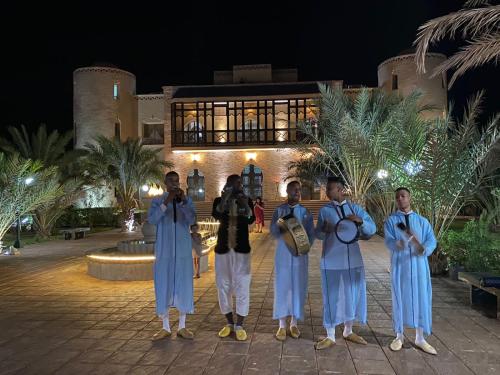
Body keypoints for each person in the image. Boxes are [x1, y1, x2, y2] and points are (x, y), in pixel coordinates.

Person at [314, 176, 376, 350]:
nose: (327, 191)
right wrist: (323, 231)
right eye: (327, 188)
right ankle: (330, 335)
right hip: (331, 260)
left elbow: (372, 229)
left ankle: (348, 331)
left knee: (352, 294)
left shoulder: (355, 208)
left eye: (331, 188)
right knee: (331, 295)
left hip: (353, 260)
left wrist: (361, 221)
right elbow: (318, 234)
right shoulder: (325, 211)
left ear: (340, 190)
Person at [384, 187, 437, 355]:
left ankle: (420, 338)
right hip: (400, 266)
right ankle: (398, 336)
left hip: (419, 266)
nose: (400, 199)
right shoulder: (392, 221)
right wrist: (396, 244)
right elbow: (388, 240)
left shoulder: (422, 221)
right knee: (399, 297)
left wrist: (425, 249)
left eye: (403, 196)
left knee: (422, 298)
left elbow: (431, 240)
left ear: (409, 198)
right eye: (397, 197)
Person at [148, 171, 196, 341]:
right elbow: (153, 220)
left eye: (177, 180)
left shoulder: (187, 200)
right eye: (171, 181)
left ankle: (182, 326)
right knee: (164, 283)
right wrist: (166, 202)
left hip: (182, 251)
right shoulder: (157, 201)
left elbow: (191, 220)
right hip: (165, 251)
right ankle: (165, 327)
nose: (174, 183)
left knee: (183, 284)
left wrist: (183, 203)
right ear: (165, 183)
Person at [212, 174, 255, 341]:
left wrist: (243, 202)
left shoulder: (247, 200)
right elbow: (216, 215)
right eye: (235, 183)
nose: (239, 185)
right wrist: (225, 199)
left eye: (240, 183)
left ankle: (240, 325)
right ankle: (229, 323)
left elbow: (251, 219)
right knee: (223, 286)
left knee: (242, 285)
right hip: (223, 250)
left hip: (241, 250)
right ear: (227, 184)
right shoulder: (219, 200)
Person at [270, 181, 314, 341]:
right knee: (282, 287)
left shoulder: (305, 212)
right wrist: (280, 225)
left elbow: (311, 234)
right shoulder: (279, 210)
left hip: (299, 256)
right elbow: (273, 232)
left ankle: (294, 323)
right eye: (294, 189)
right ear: (287, 191)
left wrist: (304, 248)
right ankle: (281, 325)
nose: (297, 192)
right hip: (283, 254)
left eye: (299, 190)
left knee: (297, 287)